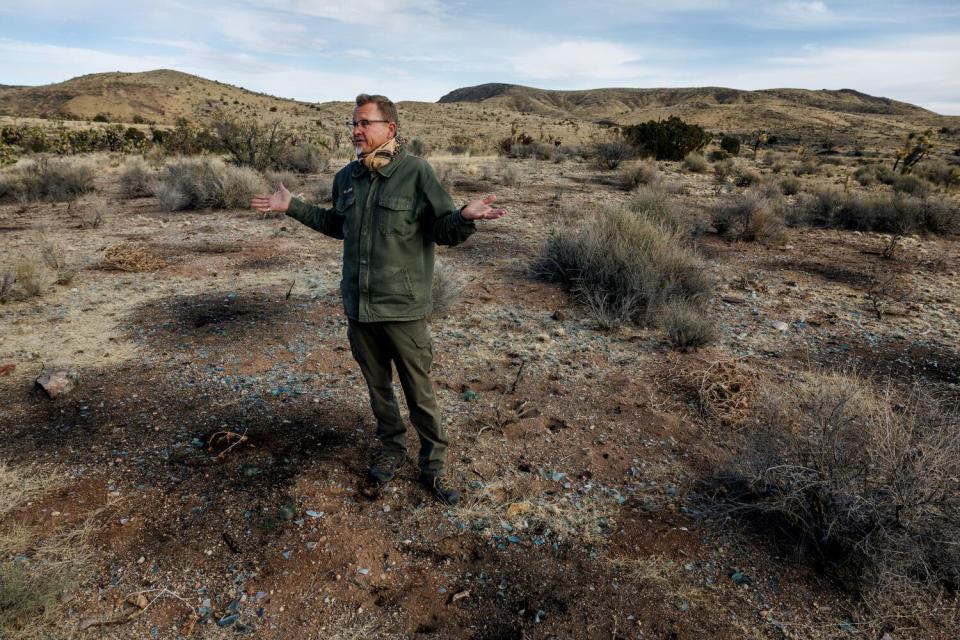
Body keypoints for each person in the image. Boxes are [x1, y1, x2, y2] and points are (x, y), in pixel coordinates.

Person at [251, 94, 506, 506]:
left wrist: (464, 217)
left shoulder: (417, 173)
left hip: (402, 306)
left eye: (364, 123)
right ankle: (391, 450)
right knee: (378, 387)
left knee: (418, 390)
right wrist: (292, 207)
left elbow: (443, 230)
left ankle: (434, 465)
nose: (355, 131)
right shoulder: (347, 178)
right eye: (352, 124)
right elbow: (337, 224)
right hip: (359, 305)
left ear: (390, 128)